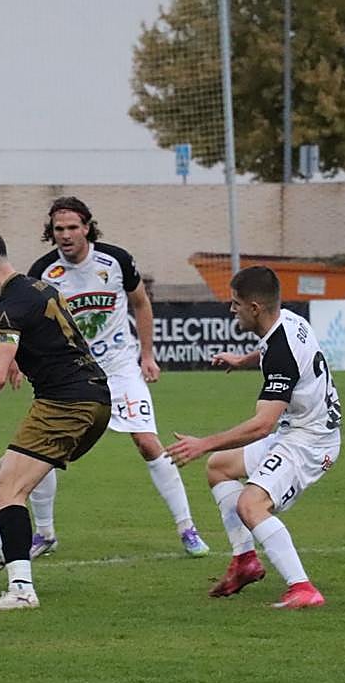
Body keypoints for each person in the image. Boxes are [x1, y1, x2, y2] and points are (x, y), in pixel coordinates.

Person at [14, 197, 210, 558]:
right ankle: (44, 533)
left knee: (148, 442)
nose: (66, 235)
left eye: (73, 227)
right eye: (59, 229)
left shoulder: (115, 260)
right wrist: (15, 359)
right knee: (40, 450)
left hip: (120, 368)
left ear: (87, 227)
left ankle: (188, 529)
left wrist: (146, 355)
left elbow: (141, 303)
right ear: (51, 233)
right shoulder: (43, 272)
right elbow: (26, 319)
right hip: (72, 373)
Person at [0, 229, 111, 612]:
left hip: (66, 402)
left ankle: (21, 589)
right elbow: (58, 339)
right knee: (6, 471)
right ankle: (2, 549)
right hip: (95, 398)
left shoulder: (9, 305)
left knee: (6, 493)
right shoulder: (40, 287)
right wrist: (22, 361)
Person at [168, 266, 340, 610]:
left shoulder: (281, 351)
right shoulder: (288, 320)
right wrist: (244, 359)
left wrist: (203, 443)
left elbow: (262, 425)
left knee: (250, 505)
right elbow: (273, 354)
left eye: (236, 304)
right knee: (220, 468)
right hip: (300, 429)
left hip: (310, 443)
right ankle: (245, 561)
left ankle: (303, 588)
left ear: (255, 308)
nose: (232, 310)